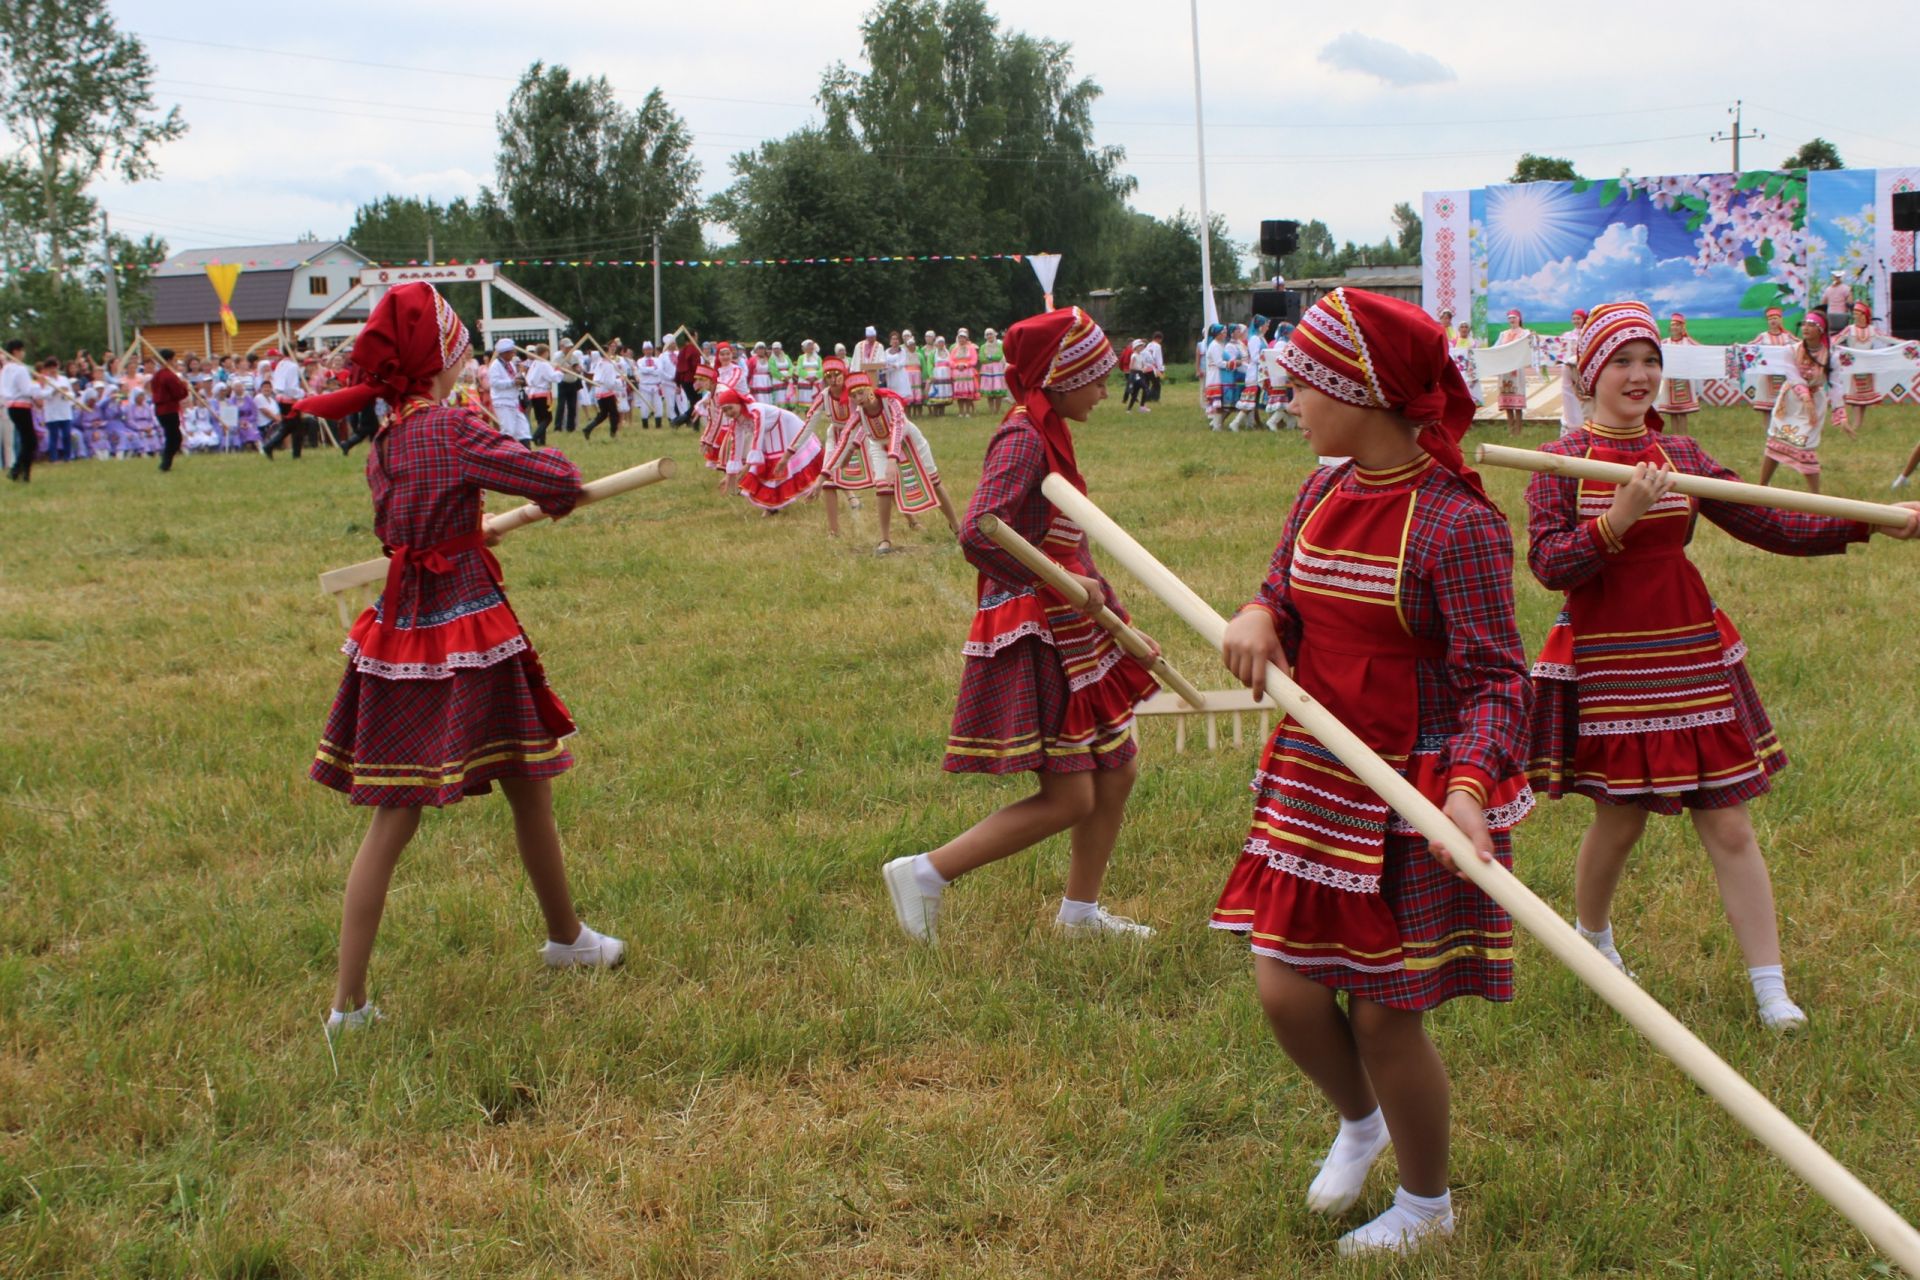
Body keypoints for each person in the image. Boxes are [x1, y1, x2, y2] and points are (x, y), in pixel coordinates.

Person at [1215, 288, 1532, 1258]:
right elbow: (1281, 588)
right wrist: (1262, 616)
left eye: (1306, 380)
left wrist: (1467, 795)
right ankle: (1361, 1122)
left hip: (1418, 794)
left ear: (1362, 390)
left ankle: (1428, 1207)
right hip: (1318, 774)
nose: (1289, 394)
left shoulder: (1455, 524)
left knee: (1389, 1016)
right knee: (1286, 988)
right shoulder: (1321, 489)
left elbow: (1497, 682)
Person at [1522, 300, 1920, 1033]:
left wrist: (1872, 522)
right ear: (1589, 373)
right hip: (1613, 660)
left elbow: (1769, 521)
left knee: (1729, 822)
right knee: (1620, 820)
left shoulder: (1687, 457)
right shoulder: (1559, 463)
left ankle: (1771, 988)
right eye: (1622, 362)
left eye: (1650, 362)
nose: (1640, 376)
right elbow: (1549, 564)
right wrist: (1618, 520)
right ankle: (1593, 937)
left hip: (1689, 648)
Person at [293, 282, 624, 1037]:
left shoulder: (385, 440)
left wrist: (472, 526)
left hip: (400, 632)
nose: (470, 352)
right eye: (460, 341)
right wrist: (493, 511)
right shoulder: (447, 427)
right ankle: (560, 939)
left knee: (445, 803)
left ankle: (557, 940)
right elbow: (555, 480)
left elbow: (419, 521)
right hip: (466, 634)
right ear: (439, 356)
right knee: (512, 787)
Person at [881, 306, 1160, 944]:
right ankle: (924, 872)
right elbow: (979, 529)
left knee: (1116, 769)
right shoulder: (1023, 436)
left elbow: (1070, 546)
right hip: (1038, 630)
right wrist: (1057, 587)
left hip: (1072, 624)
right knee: (1071, 798)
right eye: (1094, 375)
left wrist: (1117, 622)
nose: (1103, 389)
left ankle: (1080, 916)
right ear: (1059, 374)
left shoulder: (1050, 430)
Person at [845, 370, 960, 535]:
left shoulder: (890, 401)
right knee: (884, 486)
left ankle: (956, 525)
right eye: (854, 396)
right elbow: (861, 428)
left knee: (933, 481)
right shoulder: (859, 412)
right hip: (880, 444)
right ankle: (888, 537)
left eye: (861, 393)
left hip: (908, 438)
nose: (858, 398)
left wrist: (892, 459)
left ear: (870, 390)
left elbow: (898, 426)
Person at [1758, 314, 1847, 494]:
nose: (1806, 328)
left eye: (1811, 325)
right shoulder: (1791, 350)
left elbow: (1835, 385)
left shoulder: (1831, 356)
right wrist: (1804, 396)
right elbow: (1792, 375)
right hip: (1790, 402)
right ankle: (1761, 488)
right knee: (1776, 440)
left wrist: (1840, 412)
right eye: (1804, 324)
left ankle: (1815, 497)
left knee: (1806, 445)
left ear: (1820, 330)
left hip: (1813, 406)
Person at [725, 387, 824, 515]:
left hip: (784, 425)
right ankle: (772, 505)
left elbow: (757, 437)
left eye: (730, 407)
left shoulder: (755, 410)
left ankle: (774, 505)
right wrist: (730, 475)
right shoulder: (736, 421)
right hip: (769, 432)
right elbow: (735, 446)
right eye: (725, 410)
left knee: (777, 463)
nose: (728, 412)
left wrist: (747, 466)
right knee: (769, 465)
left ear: (738, 403)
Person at [1836, 301, 1889, 436]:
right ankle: (1855, 424)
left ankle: (1858, 424)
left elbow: (1888, 338)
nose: (1855, 316)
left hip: (1867, 367)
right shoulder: (1850, 329)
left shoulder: (1872, 330)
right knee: (1855, 397)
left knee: (1864, 398)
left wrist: (1908, 343)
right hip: (1853, 367)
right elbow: (1836, 339)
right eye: (1854, 314)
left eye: (1858, 313)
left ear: (1864, 315)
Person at [1652, 312, 1700, 426]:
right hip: (1669, 380)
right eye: (1672, 325)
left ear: (1682, 327)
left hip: (1684, 380)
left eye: (1677, 325)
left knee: (1683, 411)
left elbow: (1702, 350)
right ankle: (1676, 434)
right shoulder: (1665, 343)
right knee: (1672, 412)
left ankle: (1683, 434)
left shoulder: (1688, 342)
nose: (1674, 327)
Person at [262, 347, 310, 459]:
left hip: (282, 399)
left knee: (292, 427)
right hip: (289, 400)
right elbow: (291, 388)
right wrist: (304, 393)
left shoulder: (281, 364)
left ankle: (295, 454)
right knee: (292, 427)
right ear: (292, 351)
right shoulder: (292, 366)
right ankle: (270, 446)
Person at [149, 348, 190, 473]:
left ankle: (166, 463)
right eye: (173, 359)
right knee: (174, 438)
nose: (175, 362)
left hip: (160, 410)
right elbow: (178, 394)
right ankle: (165, 463)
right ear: (169, 360)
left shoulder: (156, 376)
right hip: (169, 410)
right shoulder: (169, 376)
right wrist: (184, 387)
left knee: (172, 436)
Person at [1747, 307, 1794, 415]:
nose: (1773, 321)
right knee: (1767, 410)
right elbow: (1751, 346)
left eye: (1775, 318)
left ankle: (1784, 430)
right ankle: (1768, 431)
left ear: (1781, 320)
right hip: (1767, 375)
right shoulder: (1763, 336)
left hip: (1784, 374)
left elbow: (1800, 345)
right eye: (1770, 319)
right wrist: (1739, 346)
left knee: (1786, 408)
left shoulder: (1787, 336)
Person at [3, 341, 39, 482]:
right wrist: (39, 385)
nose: (23, 353)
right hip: (21, 406)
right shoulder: (20, 369)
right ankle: (18, 470)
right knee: (30, 442)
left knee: (27, 441)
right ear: (16, 351)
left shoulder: (6, 369)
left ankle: (21, 472)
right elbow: (27, 390)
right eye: (22, 350)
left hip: (12, 407)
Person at [486, 339, 532, 447]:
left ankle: (526, 452)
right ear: (504, 353)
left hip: (513, 401)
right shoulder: (495, 366)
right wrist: (512, 382)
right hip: (502, 402)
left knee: (523, 428)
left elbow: (514, 378)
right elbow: (494, 383)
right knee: (508, 430)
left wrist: (521, 380)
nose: (513, 354)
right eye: (511, 352)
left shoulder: (510, 364)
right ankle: (506, 454)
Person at [1494, 309, 1532, 436]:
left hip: (1517, 369)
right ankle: (1511, 430)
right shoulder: (1503, 334)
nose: (1512, 320)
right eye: (1509, 318)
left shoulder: (1525, 333)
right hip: (1505, 370)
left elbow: (1529, 346)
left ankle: (1518, 431)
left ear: (1519, 319)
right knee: (1508, 402)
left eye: (1514, 317)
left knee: (1518, 401)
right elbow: (1496, 349)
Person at [1556, 308, 1589, 436]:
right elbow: (1558, 351)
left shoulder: (1588, 334)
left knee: (1584, 398)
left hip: (1584, 372)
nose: (1576, 321)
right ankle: (1570, 426)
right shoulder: (1567, 336)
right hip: (1571, 373)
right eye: (1574, 318)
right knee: (1570, 397)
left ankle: (1584, 424)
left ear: (1584, 319)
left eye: (1578, 318)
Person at [582, 343, 623, 440]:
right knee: (614, 414)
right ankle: (613, 434)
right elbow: (610, 382)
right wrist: (620, 380)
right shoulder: (607, 365)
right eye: (610, 350)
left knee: (603, 414)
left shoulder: (600, 363)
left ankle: (588, 429)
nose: (612, 352)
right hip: (606, 391)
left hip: (600, 391)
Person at [1202, 323, 1229, 430]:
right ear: (1217, 334)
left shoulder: (1218, 345)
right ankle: (1216, 426)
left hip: (1218, 375)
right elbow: (1219, 363)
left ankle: (1215, 424)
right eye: (1223, 332)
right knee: (1218, 404)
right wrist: (1232, 364)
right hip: (1215, 376)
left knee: (1220, 403)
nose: (1225, 334)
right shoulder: (1214, 346)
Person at [951, 328, 980, 417]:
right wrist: (956, 366)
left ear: (966, 338)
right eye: (960, 338)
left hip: (967, 372)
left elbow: (974, 360)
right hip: (958, 373)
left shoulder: (971, 348)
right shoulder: (954, 349)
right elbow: (950, 360)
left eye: (963, 338)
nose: (961, 339)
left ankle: (967, 411)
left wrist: (965, 365)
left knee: (968, 393)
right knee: (960, 394)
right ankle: (961, 411)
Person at [1820, 269, 1854, 337]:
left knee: (1831, 335)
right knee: (1842, 336)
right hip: (1842, 317)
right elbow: (1850, 303)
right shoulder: (1846, 288)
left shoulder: (1828, 289)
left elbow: (1823, 304)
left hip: (1831, 317)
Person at [980, 328, 1007, 406]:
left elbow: (999, 356)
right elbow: (982, 358)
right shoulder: (983, 346)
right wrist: (993, 359)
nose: (989, 336)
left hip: (997, 370)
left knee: (998, 390)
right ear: (985, 336)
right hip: (987, 370)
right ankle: (991, 410)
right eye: (987, 334)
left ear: (994, 334)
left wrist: (989, 357)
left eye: (990, 333)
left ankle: (997, 410)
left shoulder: (1000, 345)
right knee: (989, 391)